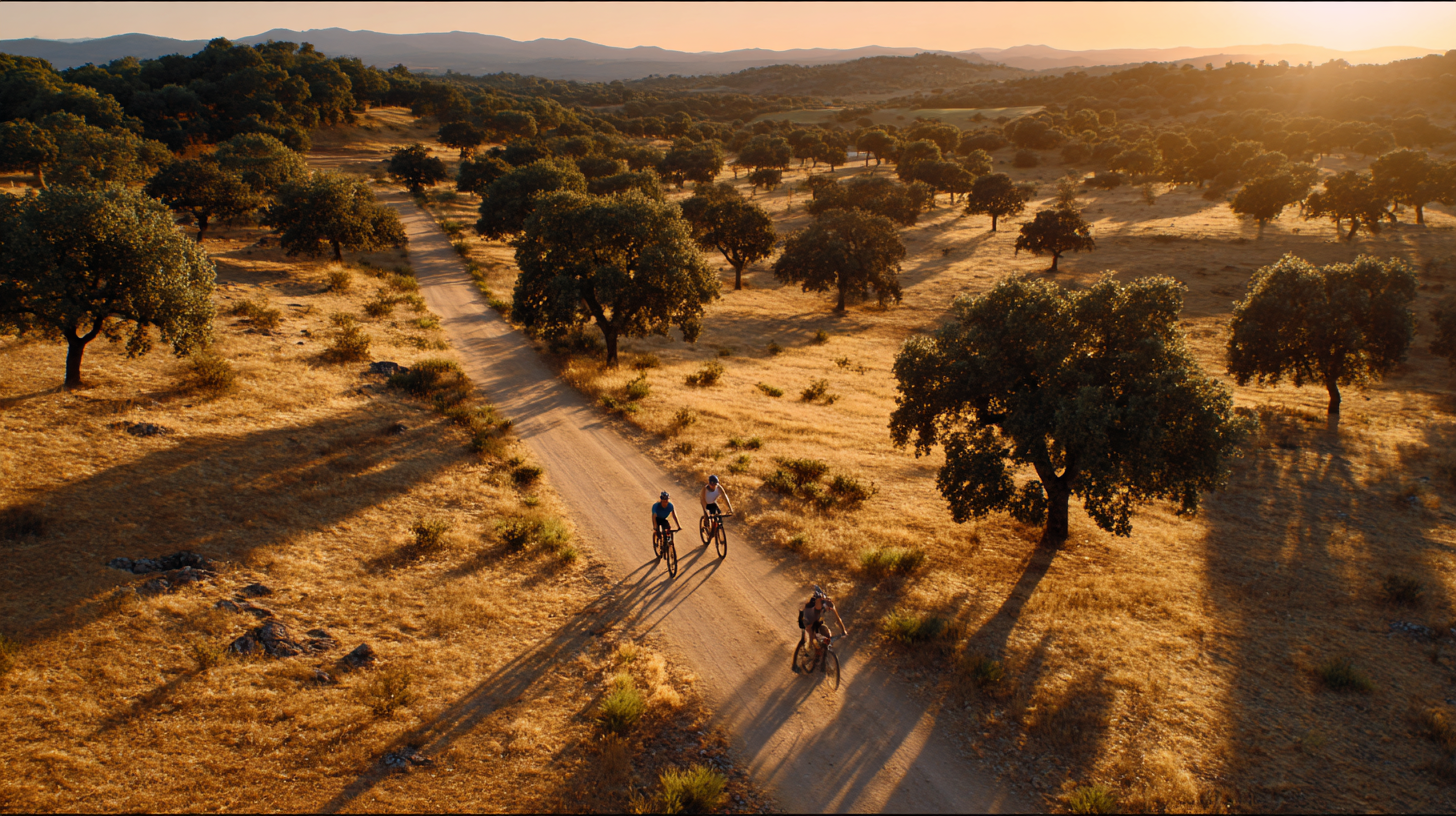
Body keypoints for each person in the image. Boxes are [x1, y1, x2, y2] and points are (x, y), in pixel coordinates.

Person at [798, 585, 847, 671]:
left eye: (830, 609)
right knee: (814, 639)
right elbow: (811, 626)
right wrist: (818, 639)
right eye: (828, 609)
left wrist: (843, 631)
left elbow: (838, 619)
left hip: (816, 621)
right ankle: (810, 653)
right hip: (808, 619)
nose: (829, 610)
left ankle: (822, 656)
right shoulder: (817, 606)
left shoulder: (830, 605)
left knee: (826, 633)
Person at [699, 474, 734, 543]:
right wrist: (706, 512)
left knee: (719, 516)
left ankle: (716, 529)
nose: (713, 486)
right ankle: (707, 528)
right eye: (711, 484)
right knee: (709, 518)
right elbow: (702, 500)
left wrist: (730, 508)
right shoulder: (704, 489)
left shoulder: (719, 488)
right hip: (706, 503)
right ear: (709, 483)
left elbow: (725, 497)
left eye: (714, 484)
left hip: (713, 503)